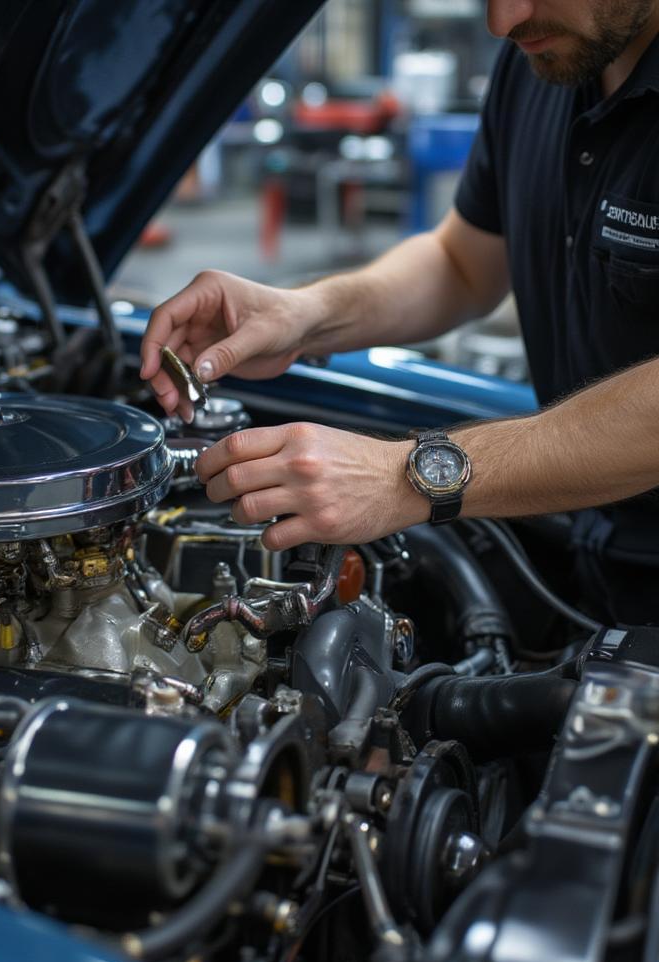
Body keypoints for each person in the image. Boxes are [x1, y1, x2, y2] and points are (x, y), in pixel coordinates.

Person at [140, 0, 659, 624]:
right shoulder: (538, 59)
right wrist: (305, 312)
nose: (503, 21)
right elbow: (462, 262)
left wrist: (408, 476)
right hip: (585, 553)